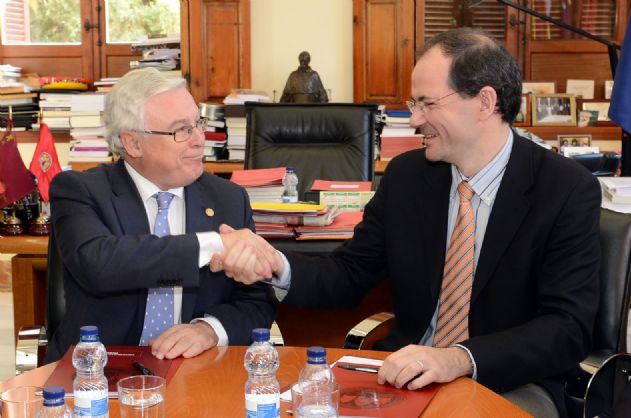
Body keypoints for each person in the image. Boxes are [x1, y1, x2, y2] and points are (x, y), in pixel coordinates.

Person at [216, 28, 600, 417]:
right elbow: (350, 273)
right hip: (404, 378)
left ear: (485, 102)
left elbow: (567, 328)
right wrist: (275, 264)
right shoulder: (407, 177)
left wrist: (459, 358)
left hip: (513, 382)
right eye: (413, 103)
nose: (415, 119)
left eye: (427, 103)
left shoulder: (564, 189)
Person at [46, 68, 278, 363]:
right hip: (96, 372)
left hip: (196, 371)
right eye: (181, 129)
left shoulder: (229, 199)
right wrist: (212, 245)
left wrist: (210, 330)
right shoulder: (80, 190)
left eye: (198, 123)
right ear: (132, 143)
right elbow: (99, 264)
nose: (199, 139)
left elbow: (257, 301)